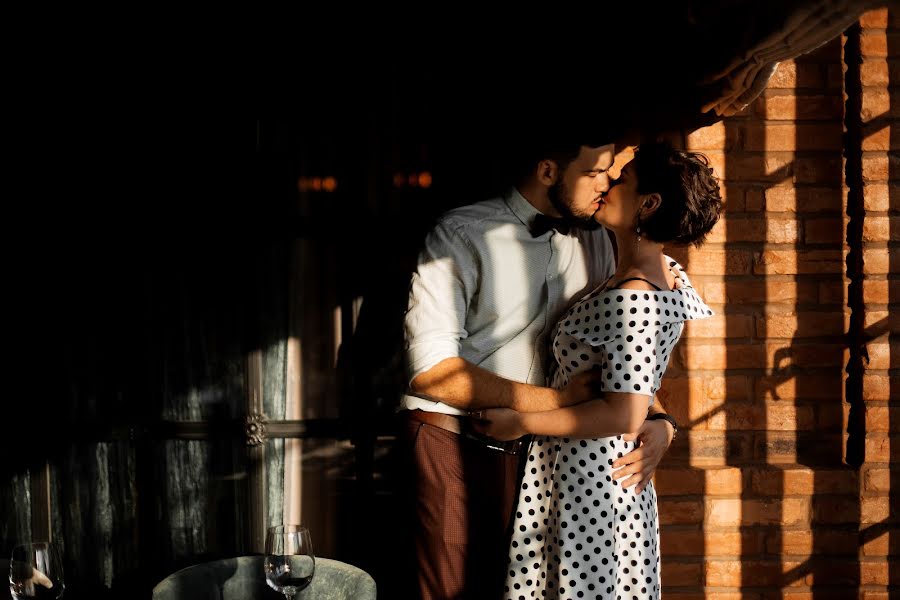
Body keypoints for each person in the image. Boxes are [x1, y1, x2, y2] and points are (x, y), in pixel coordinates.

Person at [401, 131, 680, 600]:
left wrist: (661, 420)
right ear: (549, 171)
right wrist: (556, 403)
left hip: (550, 465)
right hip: (455, 447)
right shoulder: (458, 234)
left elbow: (625, 352)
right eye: (593, 173)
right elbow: (430, 370)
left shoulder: (604, 242)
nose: (605, 185)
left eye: (612, 173)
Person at [476, 140, 723, 600]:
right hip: (603, 474)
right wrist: (665, 425)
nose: (608, 183)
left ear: (648, 203)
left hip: (592, 478)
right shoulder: (663, 273)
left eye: (622, 179)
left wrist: (520, 422)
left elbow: (624, 414)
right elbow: (638, 384)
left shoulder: (633, 297)